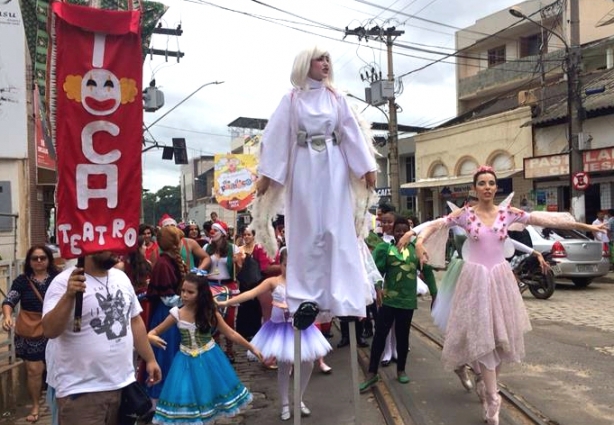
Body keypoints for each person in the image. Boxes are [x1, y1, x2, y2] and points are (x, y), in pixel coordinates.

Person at [413, 165, 606, 425]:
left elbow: (543, 219)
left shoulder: (508, 214)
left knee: (500, 339)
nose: (487, 187)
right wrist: (419, 241)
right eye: (482, 183)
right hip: (475, 281)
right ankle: (493, 396)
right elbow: (436, 225)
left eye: (491, 183)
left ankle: (488, 388)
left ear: (496, 187)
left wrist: (586, 226)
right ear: (475, 188)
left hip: (501, 280)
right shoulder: (465, 215)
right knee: (482, 336)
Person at [255, 45, 377, 321]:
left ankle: (344, 299)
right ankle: (306, 300)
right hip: (303, 166)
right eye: (319, 59)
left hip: (333, 165)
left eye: (327, 59)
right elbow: (276, 138)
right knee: (307, 231)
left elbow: (351, 133)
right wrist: (268, 176)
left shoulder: (337, 99)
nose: (325, 63)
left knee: (337, 229)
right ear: (305, 64)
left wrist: (366, 167)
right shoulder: (291, 100)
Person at [42, 251, 161, 424]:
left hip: (123, 386)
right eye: (108, 247)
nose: (117, 251)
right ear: (90, 249)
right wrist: (69, 296)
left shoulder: (121, 277)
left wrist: (150, 359)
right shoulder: (64, 282)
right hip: (82, 391)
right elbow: (49, 330)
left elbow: (134, 321)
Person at [217, 248, 332, 421]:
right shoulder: (273, 281)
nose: (289, 269)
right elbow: (250, 293)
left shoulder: (302, 282)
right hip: (279, 329)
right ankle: (285, 403)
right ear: (281, 264)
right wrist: (227, 301)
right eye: (286, 265)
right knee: (285, 366)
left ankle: (298, 399)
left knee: (308, 363)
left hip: (301, 328)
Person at [148, 271, 263, 424]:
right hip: (184, 362)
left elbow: (230, 333)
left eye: (190, 292)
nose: (185, 295)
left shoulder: (209, 313)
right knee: (187, 395)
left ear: (200, 294)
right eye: (183, 291)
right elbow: (153, 331)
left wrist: (252, 347)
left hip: (209, 359)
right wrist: (151, 337)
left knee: (207, 396)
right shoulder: (177, 313)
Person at [359, 217, 438, 392]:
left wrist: (435, 294)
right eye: (397, 230)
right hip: (388, 301)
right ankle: (372, 373)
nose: (401, 233)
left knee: (403, 337)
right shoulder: (385, 249)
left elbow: (428, 272)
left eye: (404, 230)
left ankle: (401, 369)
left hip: (407, 302)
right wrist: (378, 288)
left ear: (410, 232)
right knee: (380, 336)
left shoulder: (416, 250)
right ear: (393, 232)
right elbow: (376, 271)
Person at [2, 245, 60, 423]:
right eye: (35, 258)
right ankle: (35, 405)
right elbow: (9, 299)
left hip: (56, 328)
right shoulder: (22, 281)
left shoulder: (59, 279)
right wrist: (7, 316)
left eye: (43, 257)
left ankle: (60, 404)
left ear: (49, 259)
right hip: (31, 331)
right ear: (29, 262)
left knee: (58, 369)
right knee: (34, 370)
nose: (39, 261)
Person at [146, 225, 187, 403]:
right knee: (166, 354)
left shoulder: (169, 261)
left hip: (175, 313)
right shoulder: (163, 264)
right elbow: (167, 298)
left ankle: (175, 392)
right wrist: (189, 300)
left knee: (175, 352)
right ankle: (160, 397)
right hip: (166, 315)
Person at [206, 221, 243, 362]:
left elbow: (238, 271)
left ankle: (229, 349)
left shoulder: (233, 248)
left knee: (228, 318)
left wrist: (237, 263)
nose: (212, 232)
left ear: (223, 233)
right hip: (211, 285)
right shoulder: (206, 248)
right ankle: (216, 349)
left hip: (228, 285)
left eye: (216, 230)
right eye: (212, 230)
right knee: (212, 318)